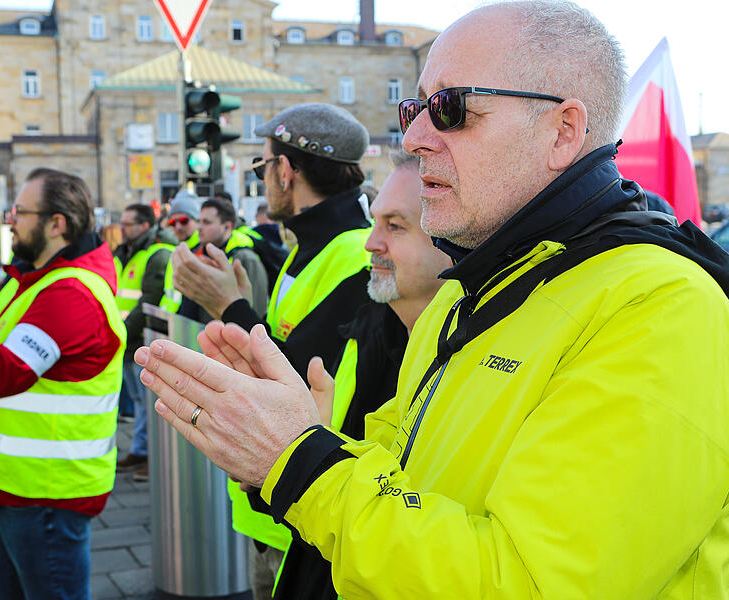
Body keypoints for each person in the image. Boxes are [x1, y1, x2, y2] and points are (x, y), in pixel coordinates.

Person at [136, 2, 729, 599]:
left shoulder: (659, 307)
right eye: (414, 107)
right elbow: (403, 473)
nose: (415, 137)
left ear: (562, 132)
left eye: (451, 109)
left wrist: (299, 462)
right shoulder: (468, 292)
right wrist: (298, 438)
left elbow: (530, 583)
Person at [169, 103, 374, 599]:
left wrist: (228, 304)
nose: (262, 179)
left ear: (286, 170)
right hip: (281, 495)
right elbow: (290, 340)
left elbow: (303, 372)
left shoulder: (354, 252)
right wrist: (240, 305)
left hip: (303, 503)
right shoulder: (311, 247)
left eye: (262, 167)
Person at [0, 168, 125, 599]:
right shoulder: (36, 282)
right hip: (16, 485)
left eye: (19, 211)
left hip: (43, 496)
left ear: (57, 224)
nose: (9, 220)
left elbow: (1, 372)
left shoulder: (70, 295)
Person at [271, 149, 451, 599]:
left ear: (455, 237)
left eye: (395, 226)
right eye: (375, 223)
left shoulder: (470, 356)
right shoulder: (369, 323)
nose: (370, 243)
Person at [114, 203, 176, 482]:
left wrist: (124, 332)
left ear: (143, 226)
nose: (122, 229)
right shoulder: (124, 251)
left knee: (150, 402)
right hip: (125, 340)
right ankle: (141, 450)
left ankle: (155, 457)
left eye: (127, 224)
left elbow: (149, 300)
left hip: (140, 339)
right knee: (140, 402)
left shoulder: (157, 254)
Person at [176, 198, 269, 323]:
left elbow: (255, 311)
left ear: (227, 226)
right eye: (199, 221)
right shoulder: (199, 253)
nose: (199, 227)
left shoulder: (245, 259)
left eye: (207, 222)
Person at [160, 191, 201, 314]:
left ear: (197, 220)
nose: (178, 226)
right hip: (175, 326)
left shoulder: (205, 251)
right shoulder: (176, 252)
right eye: (172, 222)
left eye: (184, 220)